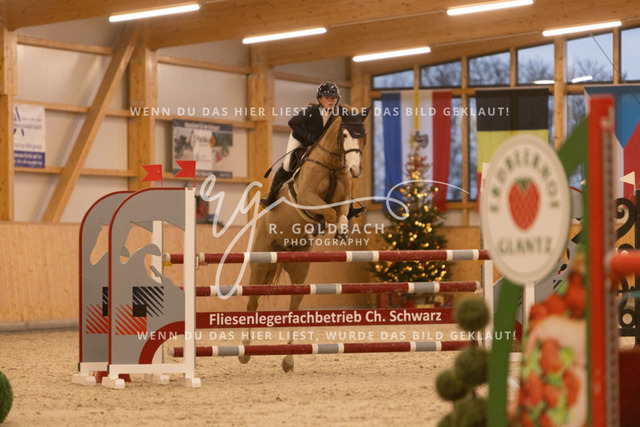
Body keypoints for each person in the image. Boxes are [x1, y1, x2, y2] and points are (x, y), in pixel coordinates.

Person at [260, 82, 340, 208]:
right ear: (320, 99)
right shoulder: (311, 112)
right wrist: (309, 136)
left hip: (318, 145)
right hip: (299, 139)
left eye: (333, 98)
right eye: (327, 97)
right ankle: (271, 197)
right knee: (287, 165)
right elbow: (292, 123)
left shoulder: (336, 116)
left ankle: (347, 204)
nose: (331, 101)